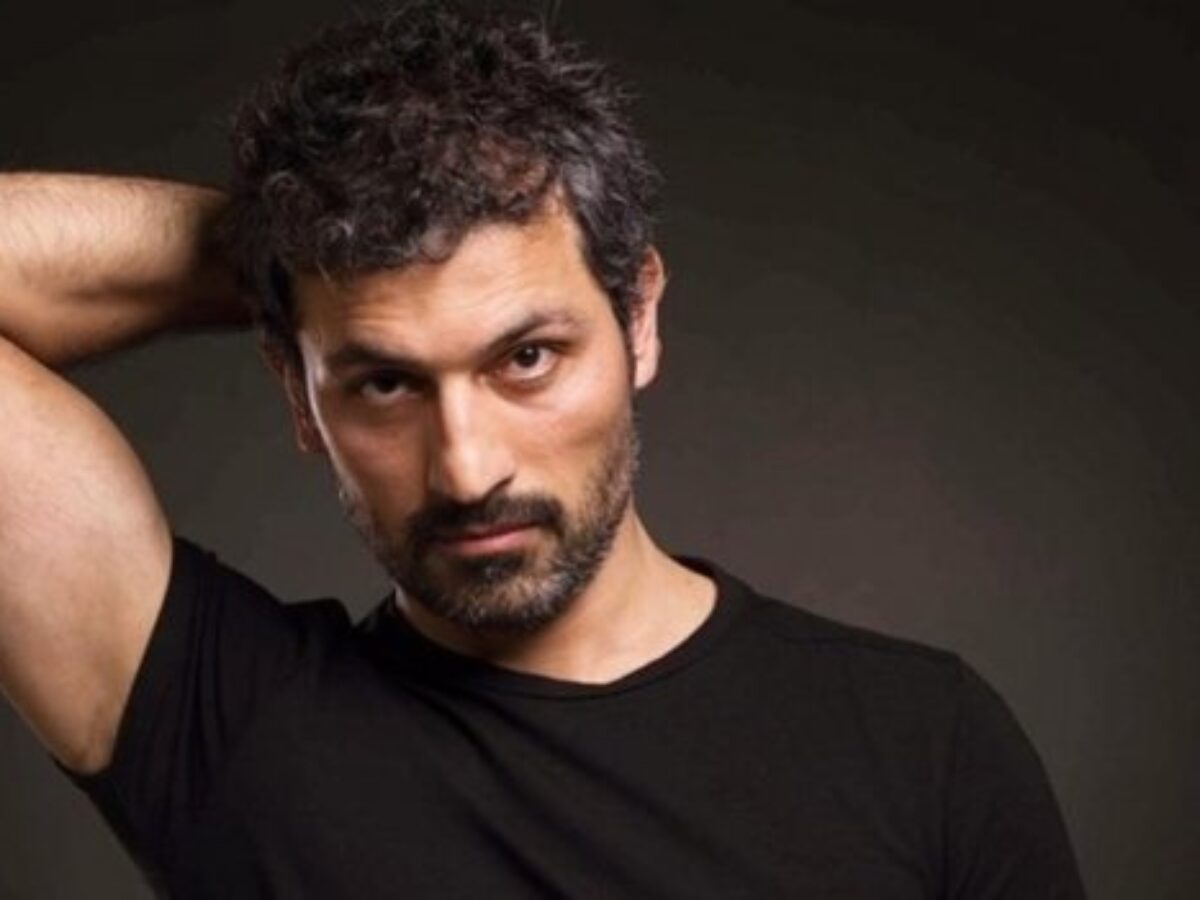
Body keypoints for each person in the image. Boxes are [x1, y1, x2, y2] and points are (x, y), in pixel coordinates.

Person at [0, 4, 1087, 897]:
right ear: (299, 393)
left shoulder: (921, 744)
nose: (468, 470)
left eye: (526, 358)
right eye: (384, 381)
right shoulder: (228, 733)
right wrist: (285, 255)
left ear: (639, 317)